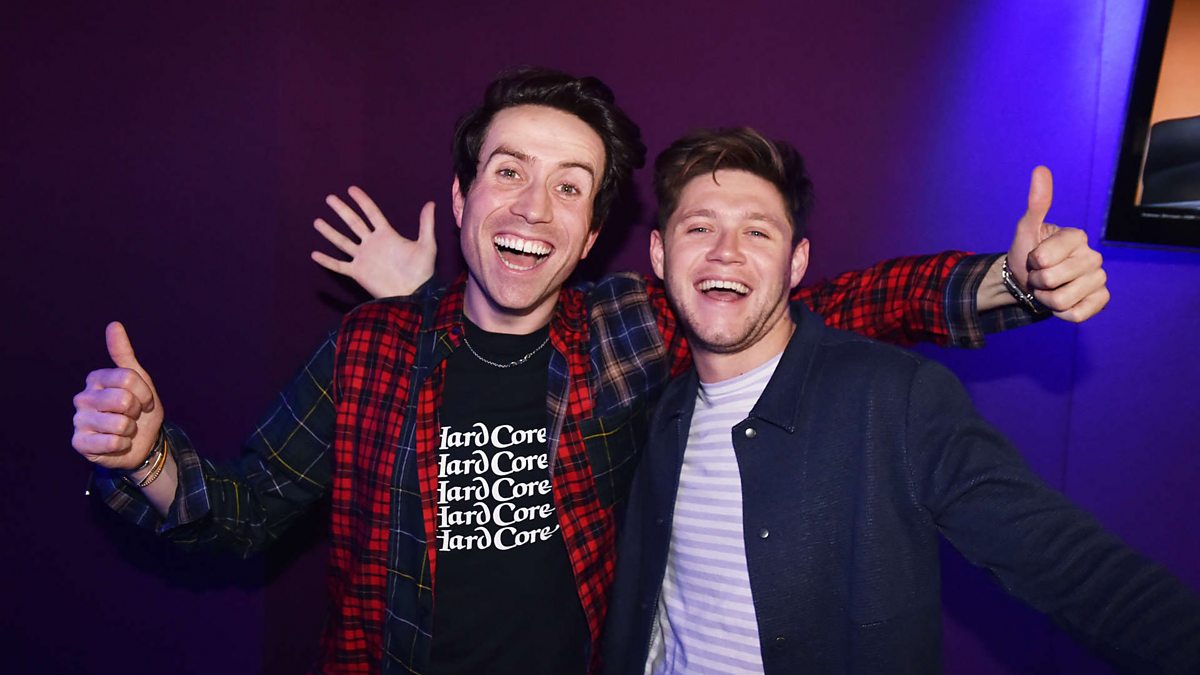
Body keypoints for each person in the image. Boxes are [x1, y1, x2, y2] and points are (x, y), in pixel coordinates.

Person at [71, 67, 1109, 674]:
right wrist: (147, 456)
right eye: (508, 173)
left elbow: (825, 307)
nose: (533, 207)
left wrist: (1004, 284)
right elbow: (242, 509)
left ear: (596, 232)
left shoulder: (627, 330)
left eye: (571, 187)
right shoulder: (371, 349)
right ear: (464, 195)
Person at [600, 128, 1200, 674]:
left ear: (796, 262)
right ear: (659, 254)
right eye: (699, 228)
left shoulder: (891, 399)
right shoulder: (657, 407)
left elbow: (1072, 566)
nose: (726, 251)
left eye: (757, 231)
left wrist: (1012, 282)